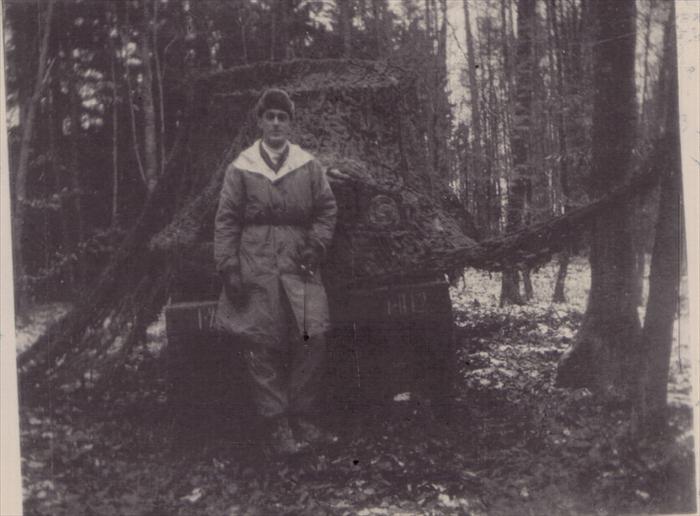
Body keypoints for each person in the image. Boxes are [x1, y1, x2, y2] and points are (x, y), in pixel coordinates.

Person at [214, 88, 338, 455]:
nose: (276, 124)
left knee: (311, 337)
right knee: (260, 342)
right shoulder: (241, 168)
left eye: (282, 117)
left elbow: (326, 210)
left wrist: (316, 244)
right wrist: (229, 268)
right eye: (270, 117)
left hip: (300, 266)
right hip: (256, 267)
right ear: (260, 122)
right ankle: (277, 425)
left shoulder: (308, 166)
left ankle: (303, 417)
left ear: (291, 123)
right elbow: (226, 221)